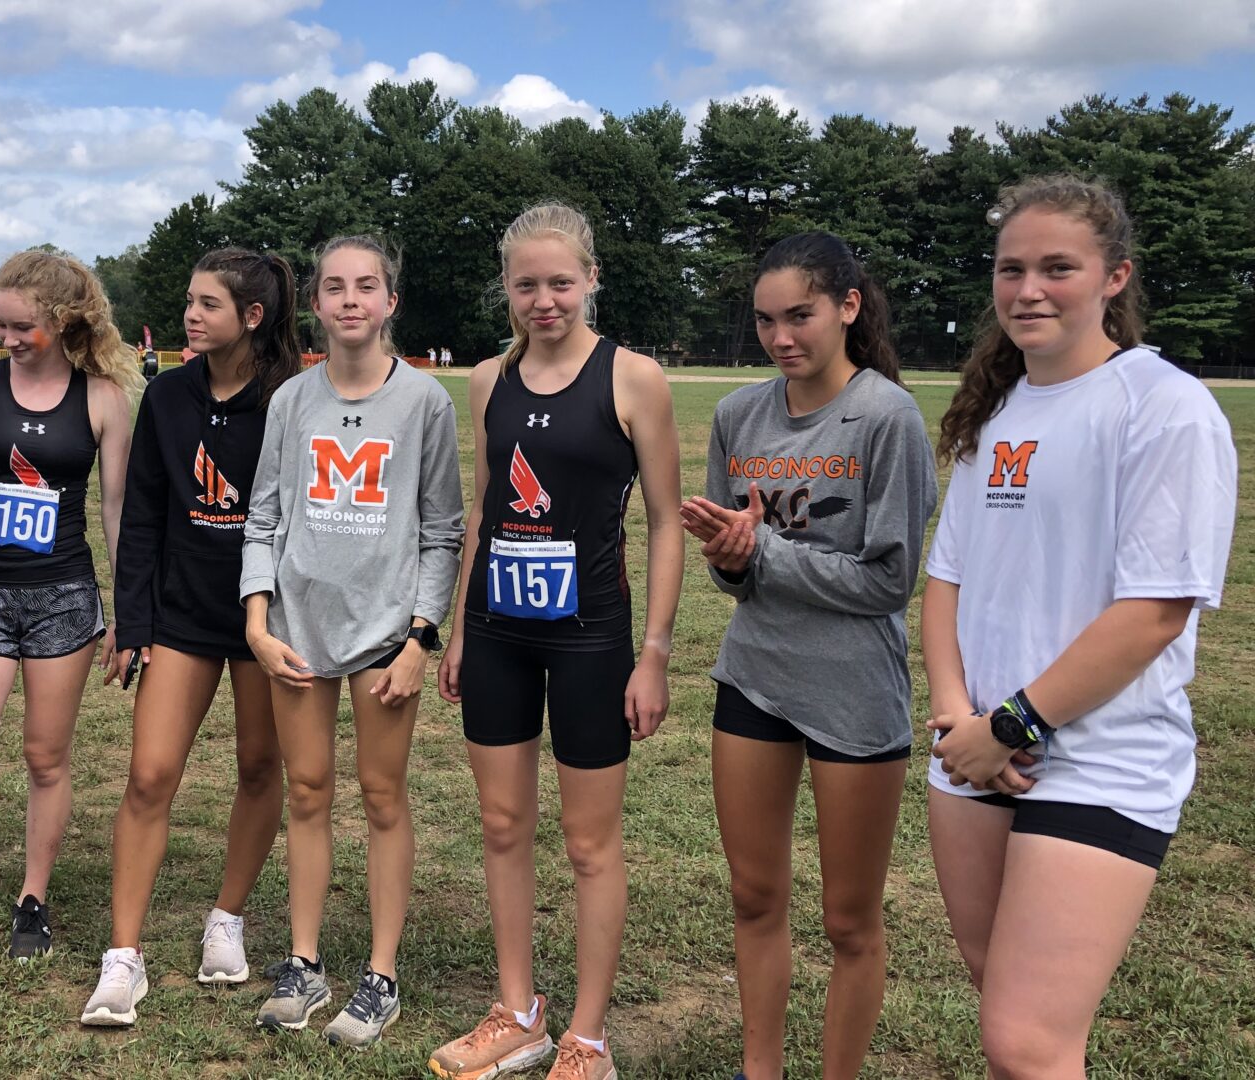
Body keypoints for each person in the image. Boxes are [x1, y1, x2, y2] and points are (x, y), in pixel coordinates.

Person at [922, 175, 1236, 1078]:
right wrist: (957, 720)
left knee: (1026, 1041)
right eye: (1011, 268)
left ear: (1114, 278)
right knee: (1008, 1015)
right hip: (976, 751)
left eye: (1058, 267)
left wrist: (1012, 725)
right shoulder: (1000, 411)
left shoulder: (1165, 406)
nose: (1028, 290)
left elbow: (1153, 613)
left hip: (1098, 760)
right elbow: (946, 582)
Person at [427, 204, 684, 1080]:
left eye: (561, 283)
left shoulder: (634, 378)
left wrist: (653, 651)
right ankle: (519, 1013)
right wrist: (462, 628)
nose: (545, 300)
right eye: (527, 284)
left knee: (587, 843)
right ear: (507, 287)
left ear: (591, 279)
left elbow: (664, 524)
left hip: (592, 641)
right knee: (502, 823)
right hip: (499, 632)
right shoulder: (486, 380)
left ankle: (588, 1036)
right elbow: (485, 513)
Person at [679, 232, 937, 1080]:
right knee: (754, 897)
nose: (782, 337)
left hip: (855, 695)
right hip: (754, 677)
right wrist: (727, 560)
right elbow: (738, 580)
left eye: (801, 316)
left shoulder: (885, 415)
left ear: (848, 307)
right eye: (765, 320)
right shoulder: (737, 417)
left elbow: (889, 582)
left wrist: (763, 557)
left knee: (848, 922)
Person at [243, 234, 464, 1048]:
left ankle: (380, 974)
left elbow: (443, 530)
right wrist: (257, 620)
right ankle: (304, 964)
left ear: (389, 301)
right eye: (333, 287)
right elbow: (262, 516)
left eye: (365, 286)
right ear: (316, 304)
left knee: (380, 797)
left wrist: (419, 638)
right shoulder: (291, 400)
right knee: (305, 792)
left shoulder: (425, 402)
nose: (349, 300)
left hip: (383, 633)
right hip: (296, 631)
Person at [78, 249, 302, 1028]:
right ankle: (123, 959)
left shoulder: (291, 399)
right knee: (148, 775)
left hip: (268, 619)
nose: (189, 315)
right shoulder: (167, 396)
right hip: (181, 617)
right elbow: (141, 516)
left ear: (252, 316)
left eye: (208, 304)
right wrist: (132, 622)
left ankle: (227, 920)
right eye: (188, 300)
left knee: (257, 764)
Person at [0, 249, 137, 999]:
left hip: (63, 600)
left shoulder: (104, 399)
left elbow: (115, 512)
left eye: (24, 328)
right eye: (0, 326)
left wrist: (124, 609)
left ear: (65, 321)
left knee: (47, 760)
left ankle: (32, 900)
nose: (9, 339)